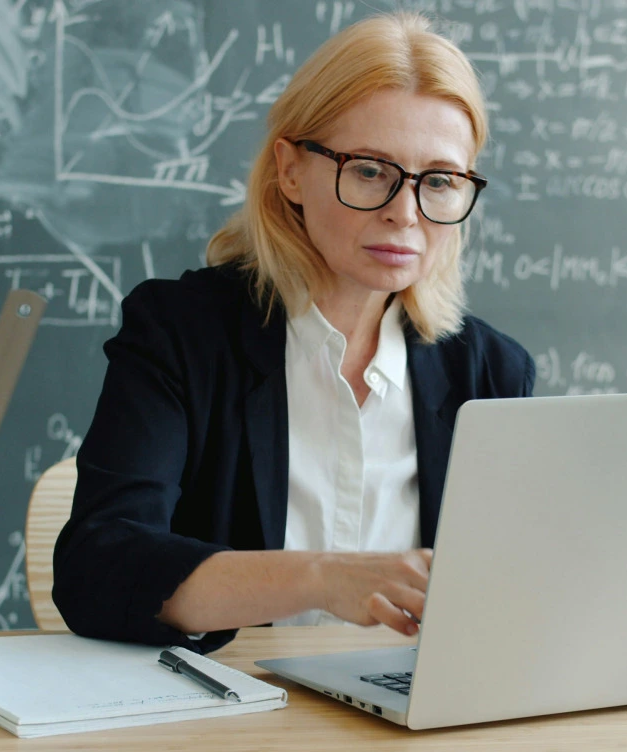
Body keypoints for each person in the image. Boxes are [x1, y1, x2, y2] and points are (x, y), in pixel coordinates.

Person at [52, 11, 534, 653]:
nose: (403, 211)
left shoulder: (492, 372)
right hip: (228, 723)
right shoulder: (180, 334)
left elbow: (510, 605)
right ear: (291, 171)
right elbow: (99, 568)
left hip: (414, 727)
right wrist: (321, 577)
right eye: (368, 170)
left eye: (439, 182)